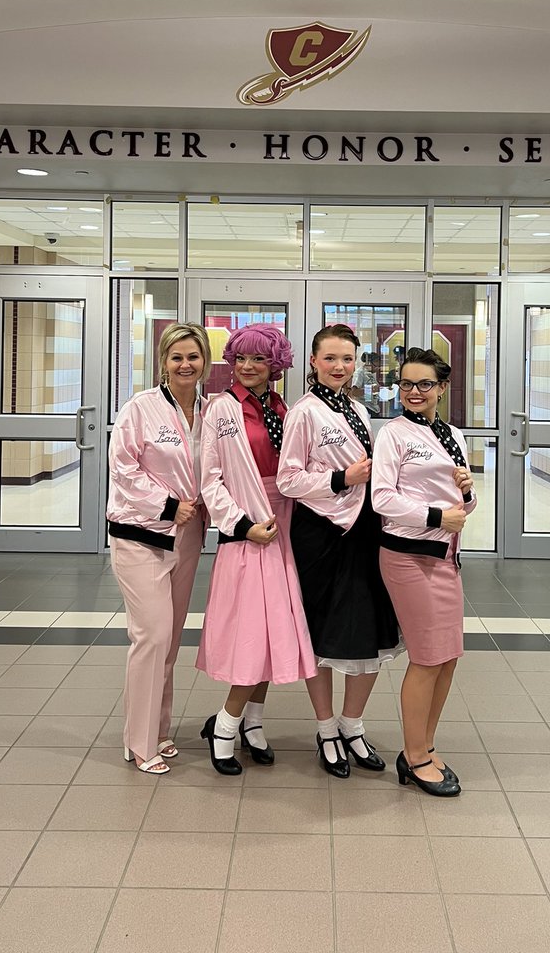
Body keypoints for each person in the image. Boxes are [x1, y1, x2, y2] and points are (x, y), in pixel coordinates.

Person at [277, 323, 402, 779]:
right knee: (323, 633)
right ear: (313, 361)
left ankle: (353, 726)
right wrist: (339, 479)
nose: (339, 367)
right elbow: (289, 478)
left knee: (367, 631)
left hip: (365, 529)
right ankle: (326, 728)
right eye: (330, 358)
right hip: (321, 533)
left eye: (347, 359)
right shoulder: (303, 412)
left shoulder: (357, 410)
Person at [196, 323, 317, 775]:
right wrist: (243, 526)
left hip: (286, 525)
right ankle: (225, 727)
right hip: (249, 529)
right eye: (240, 358)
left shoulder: (288, 409)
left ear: (276, 364)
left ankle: (253, 723)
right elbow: (210, 479)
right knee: (251, 633)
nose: (247, 367)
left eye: (258, 359)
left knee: (274, 631)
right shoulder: (220, 410)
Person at [371, 347, 476, 798]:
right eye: (407, 384)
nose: (414, 392)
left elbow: (462, 505)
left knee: (448, 656)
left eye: (424, 384)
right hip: (408, 556)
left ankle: (425, 745)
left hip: (445, 557)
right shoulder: (393, 435)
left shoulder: (452, 435)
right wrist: (438, 517)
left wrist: (467, 496)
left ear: (442, 388)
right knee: (428, 656)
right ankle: (414, 758)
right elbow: (382, 499)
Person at [107, 322, 212, 774]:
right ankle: (139, 742)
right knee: (149, 636)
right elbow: (124, 470)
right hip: (141, 536)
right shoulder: (140, 409)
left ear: (206, 360)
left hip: (188, 538)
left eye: (193, 356)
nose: (185, 364)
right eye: (176, 357)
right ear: (163, 363)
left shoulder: (212, 412)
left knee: (168, 640)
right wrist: (169, 505)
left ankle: (159, 730)